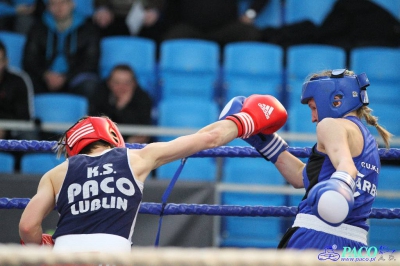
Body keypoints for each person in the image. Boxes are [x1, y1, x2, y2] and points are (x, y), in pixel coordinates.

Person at [18, 94, 288, 252]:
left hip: (63, 256)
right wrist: (245, 120)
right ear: (113, 135)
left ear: (73, 147)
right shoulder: (137, 158)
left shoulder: (56, 173)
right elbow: (207, 139)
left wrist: (42, 246)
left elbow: (28, 226)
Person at [222, 69, 392, 250]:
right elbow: (301, 177)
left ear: (336, 100)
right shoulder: (370, 142)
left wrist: (340, 184)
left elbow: (346, 167)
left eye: (313, 107)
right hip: (355, 245)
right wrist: (263, 141)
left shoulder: (330, 125)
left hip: (316, 237)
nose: (313, 118)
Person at [23, 0, 100, 101]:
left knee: (90, 86)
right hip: (44, 78)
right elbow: (29, 58)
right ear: (48, 7)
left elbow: (91, 61)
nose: (58, 7)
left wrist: (66, 77)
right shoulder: (38, 28)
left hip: (74, 78)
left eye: (63, 3)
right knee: (23, 84)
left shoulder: (88, 29)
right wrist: (45, 74)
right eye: (53, 4)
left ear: (72, 4)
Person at [161, 0, 270, 49]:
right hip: (191, 29)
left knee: (250, 33)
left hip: (226, 29)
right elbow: (170, 7)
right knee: (170, 39)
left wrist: (250, 14)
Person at [91, 64, 153, 144]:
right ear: (109, 83)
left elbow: (142, 133)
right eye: (117, 83)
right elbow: (97, 125)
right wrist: (120, 106)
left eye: (126, 83)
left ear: (134, 83)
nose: (121, 87)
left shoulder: (144, 99)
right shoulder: (99, 95)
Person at [0, 40, 32, 140]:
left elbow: (24, 117)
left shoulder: (18, 81)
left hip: (13, 133)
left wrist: (4, 127)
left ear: (6, 62)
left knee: (29, 137)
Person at [93, 0, 165, 42]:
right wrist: (102, 9)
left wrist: (155, 11)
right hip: (113, 16)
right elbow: (101, 3)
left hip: (145, 15)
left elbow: (159, 4)